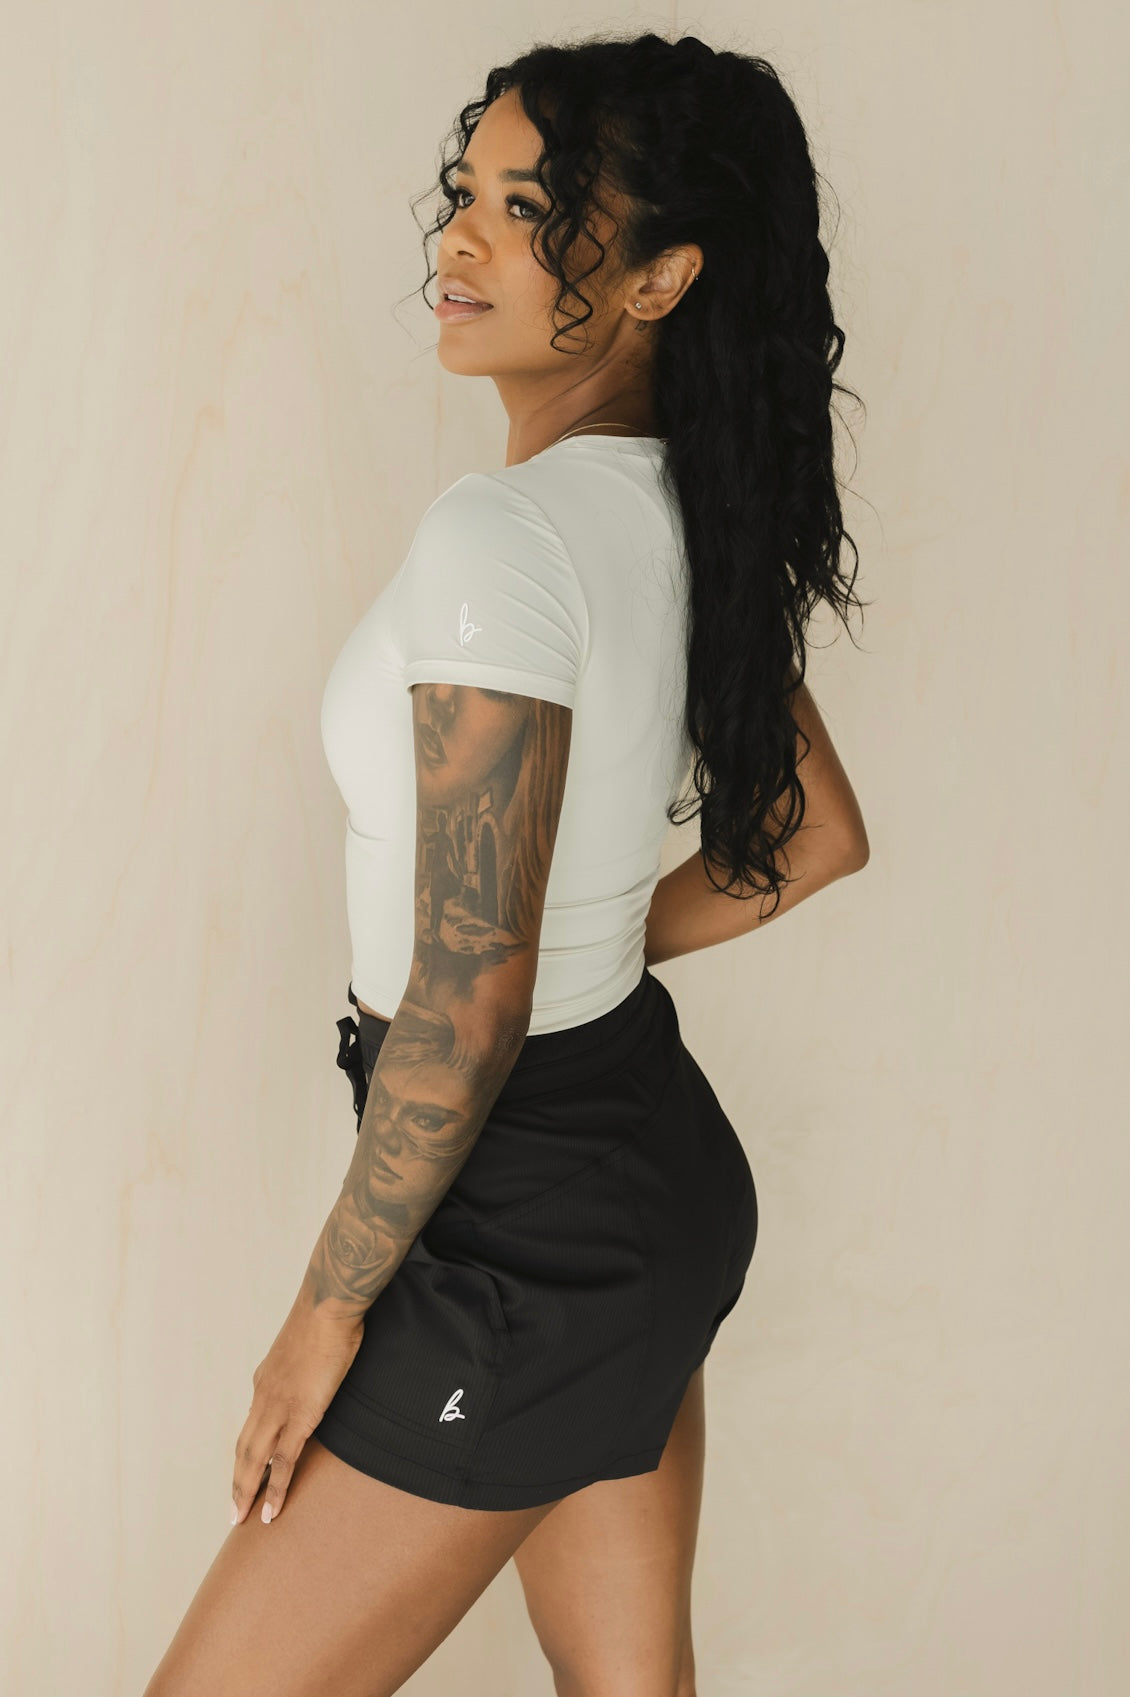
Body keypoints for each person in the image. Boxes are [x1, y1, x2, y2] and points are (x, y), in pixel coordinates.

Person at [143, 30, 869, 1697]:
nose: (462, 238)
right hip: (638, 1171)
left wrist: (324, 1315)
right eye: (466, 189)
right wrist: (587, 942)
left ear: (662, 277)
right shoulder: (685, 511)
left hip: (518, 1228)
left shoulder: (507, 538)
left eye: (530, 209)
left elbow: (467, 1002)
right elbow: (813, 837)